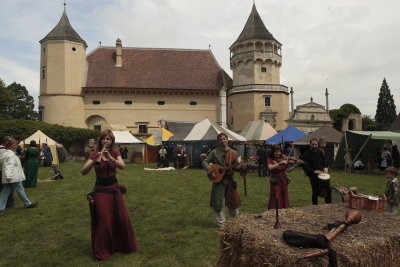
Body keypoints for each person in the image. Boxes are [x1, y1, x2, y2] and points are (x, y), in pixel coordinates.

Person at [81, 130, 138, 261]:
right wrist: (93, 161)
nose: (106, 141)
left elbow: (122, 166)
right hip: (100, 191)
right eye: (103, 139)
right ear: (100, 141)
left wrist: (111, 158)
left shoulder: (115, 152)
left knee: (121, 218)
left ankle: (122, 246)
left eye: (108, 139)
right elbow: (83, 172)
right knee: (105, 221)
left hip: (114, 190)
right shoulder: (95, 153)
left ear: (112, 141)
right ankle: (103, 249)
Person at [202, 133, 245, 227]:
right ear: (218, 142)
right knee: (219, 203)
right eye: (220, 140)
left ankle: (236, 223)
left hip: (230, 181)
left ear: (227, 140)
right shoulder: (214, 152)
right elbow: (205, 161)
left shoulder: (233, 153)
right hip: (218, 181)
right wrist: (210, 170)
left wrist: (241, 167)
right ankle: (221, 224)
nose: (223, 141)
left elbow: (236, 167)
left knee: (233, 202)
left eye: (224, 139)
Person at [0, 138, 38, 211]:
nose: (16, 147)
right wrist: (8, 176)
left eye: (16, 145)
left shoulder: (8, 153)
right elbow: (9, 165)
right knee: (20, 190)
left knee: (5, 192)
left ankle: (1, 207)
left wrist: (8, 176)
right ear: (9, 146)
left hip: (11, 177)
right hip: (13, 177)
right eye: (14, 145)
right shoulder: (11, 155)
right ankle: (27, 204)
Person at [267, 145, 301, 210]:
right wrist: (279, 163)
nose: (278, 153)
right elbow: (270, 167)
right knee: (276, 195)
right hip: (275, 180)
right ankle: (274, 210)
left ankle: (284, 209)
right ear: (273, 152)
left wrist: (295, 165)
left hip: (283, 180)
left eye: (279, 152)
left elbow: (288, 171)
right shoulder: (270, 159)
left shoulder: (283, 159)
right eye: (276, 152)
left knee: (284, 195)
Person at [302, 138, 331, 205]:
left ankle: (329, 204)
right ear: (310, 144)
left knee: (328, 189)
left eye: (315, 144)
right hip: (313, 176)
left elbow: (324, 162)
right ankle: (314, 206)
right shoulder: (307, 154)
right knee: (315, 191)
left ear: (318, 145)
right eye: (313, 144)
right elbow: (305, 166)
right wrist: (314, 171)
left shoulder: (320, 152)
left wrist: (326, 167)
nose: (314, 145)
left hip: (322, 175)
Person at [0, 136, 15, 208]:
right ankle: (9, 203)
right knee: (8, 187)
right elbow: (3, 161)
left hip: (4, 171)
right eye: (11, 142)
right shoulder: (2, 150)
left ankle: (9, 203)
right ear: (6, 142)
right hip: (2, 171)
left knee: (8, 187)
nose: (12, 143)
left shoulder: (5, 149)